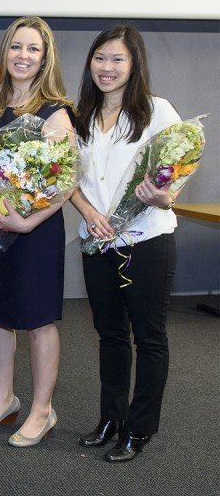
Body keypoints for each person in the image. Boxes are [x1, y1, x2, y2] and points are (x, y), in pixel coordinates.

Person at [71, 26, 181, 463]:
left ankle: (139, 428)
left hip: (146, 240)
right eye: (100, 58)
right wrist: (87, 212)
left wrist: (163, 196)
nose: (107, 67)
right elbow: (68, 181)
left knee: (149, 338)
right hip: (96, 241)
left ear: (134, 64)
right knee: (110, 336)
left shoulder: (158, 112)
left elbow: (174, 176)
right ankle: (111, 419)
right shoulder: (79, 116)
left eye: (117, 59)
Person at [0, 17, 75, 447]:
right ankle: (4, 399)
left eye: (32, 49)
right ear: (4, 53)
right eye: (16, 47)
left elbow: (65, 182)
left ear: (45, 59)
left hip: (34, 231)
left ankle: (43, 410)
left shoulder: (55, 113)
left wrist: (26, 221)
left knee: (37, 319)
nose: (22, 56)